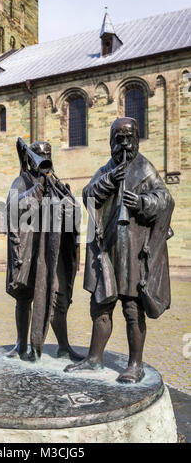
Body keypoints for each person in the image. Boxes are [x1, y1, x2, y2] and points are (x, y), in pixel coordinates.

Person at [65, 117, 174, 383]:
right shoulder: (107, 169)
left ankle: (134, 364)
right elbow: (88, 195)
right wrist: (110, 181)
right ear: (112, 140)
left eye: (129, 138)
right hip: (107, 251)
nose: (124, 144)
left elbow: (165, 199)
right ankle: (94, 358)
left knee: (132, 310)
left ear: (136, 139)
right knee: (101, 306)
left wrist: (141, 201)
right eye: (119, 138)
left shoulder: (145, 169)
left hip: (135, 251)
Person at [6, 139, 82, 362]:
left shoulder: (55, 182)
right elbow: (13, 209)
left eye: (47, 153)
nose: (44, 157)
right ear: (30, 157)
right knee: (24, 297)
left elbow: (73, 213)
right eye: (39, 153)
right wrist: (38, 186)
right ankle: (21, 344)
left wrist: (67, 202)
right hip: (28, 250)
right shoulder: (20, 181)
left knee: (58, 297)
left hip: (51, 253)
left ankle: (64, 346)